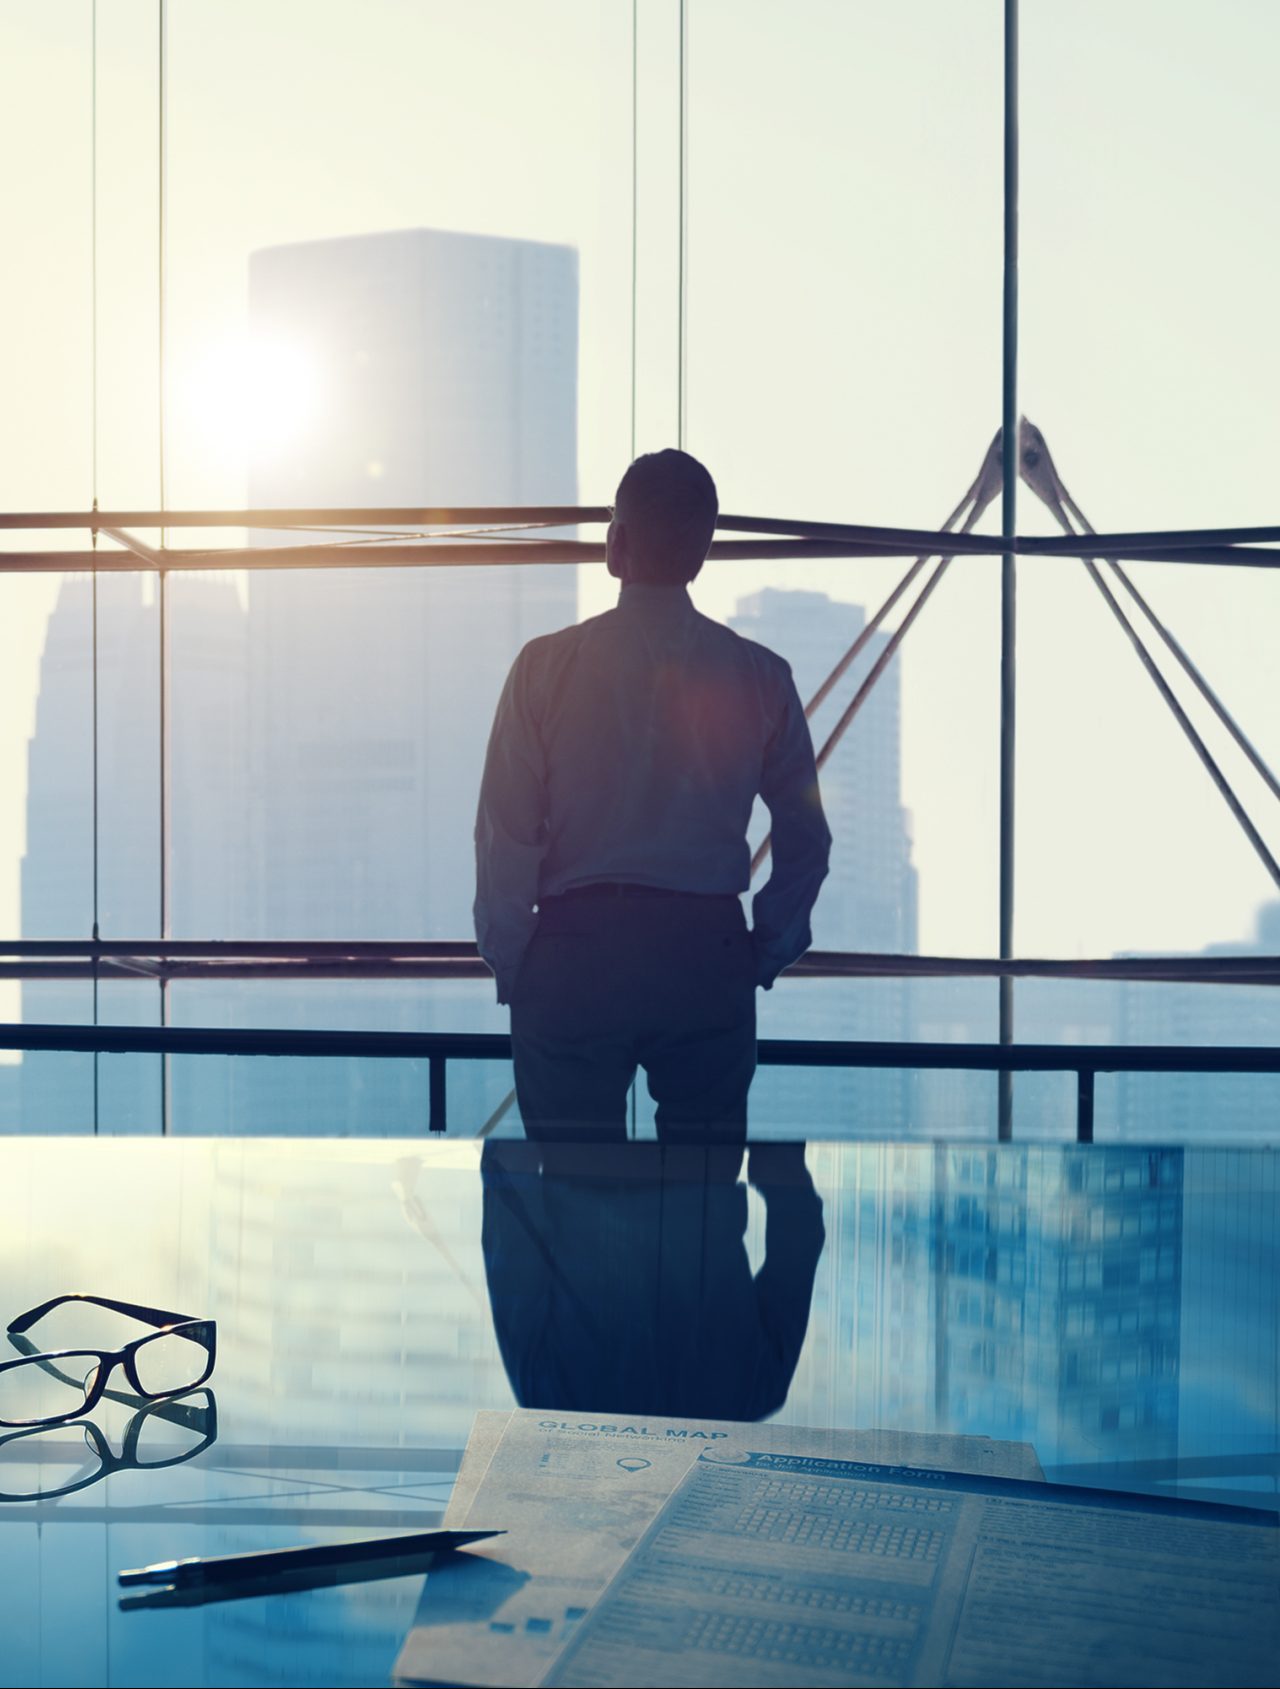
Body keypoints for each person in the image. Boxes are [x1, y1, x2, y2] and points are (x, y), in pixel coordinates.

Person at [473, 448, 831, 1142]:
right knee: (702, 1208)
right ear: (703, 553)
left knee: (572, 1200)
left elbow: (505, 836)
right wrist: (763, 949)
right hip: (706, 948)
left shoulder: (543, 669)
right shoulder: (760, 675)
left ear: (616, 543)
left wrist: (518, 961)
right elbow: (805, 837)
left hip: (574, 951)